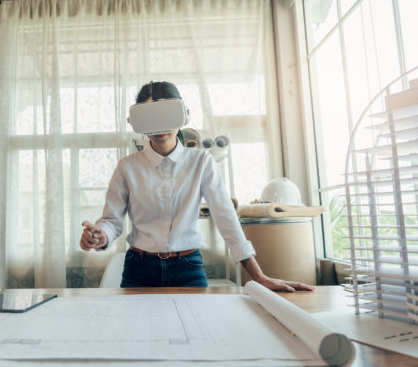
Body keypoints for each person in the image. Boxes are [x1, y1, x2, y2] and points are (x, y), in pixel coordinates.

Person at [80, 81, 314, 292]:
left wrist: (258, 276)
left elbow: (226, 219)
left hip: (188, 268)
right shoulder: (127, 167)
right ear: (139, 122)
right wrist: (100, 237)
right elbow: (111, 221)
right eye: (152, 116)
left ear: (183, 114)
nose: (160, 126)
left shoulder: (202, 162)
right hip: (139, 270)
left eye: (167, 114)